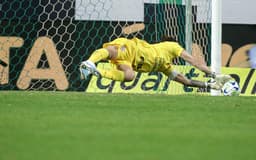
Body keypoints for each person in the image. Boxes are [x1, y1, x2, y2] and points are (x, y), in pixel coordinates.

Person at [79, 36, 231, 90]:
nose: (182, 52)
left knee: (130, 76)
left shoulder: (166, 68)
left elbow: (187, 82)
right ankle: (89, 62)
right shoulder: (172, 46)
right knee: (112, 51)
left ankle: (98, 72)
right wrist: (213, 73)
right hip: (133, 49)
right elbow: (194, 61)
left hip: (128, 62)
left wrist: (210, 85)